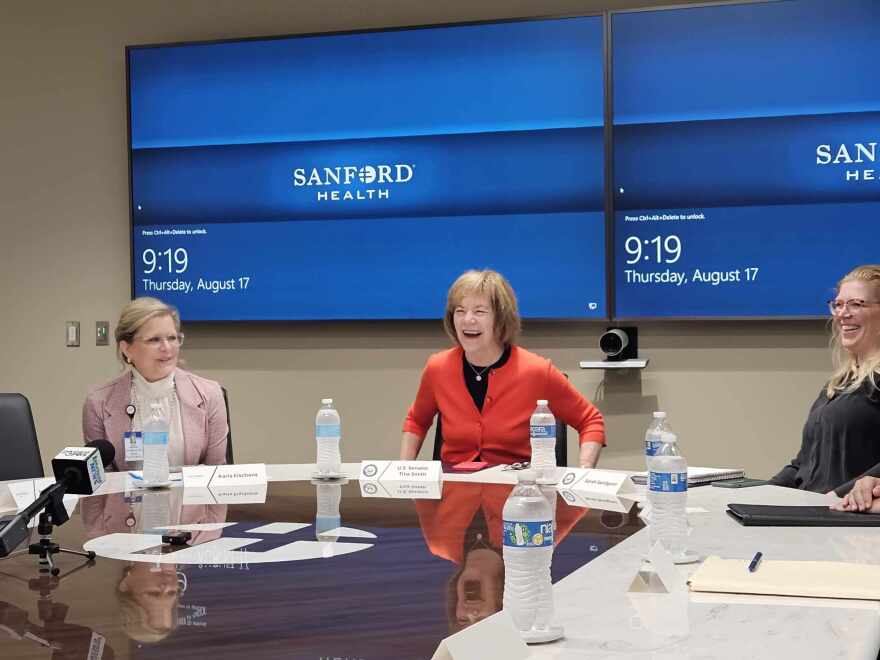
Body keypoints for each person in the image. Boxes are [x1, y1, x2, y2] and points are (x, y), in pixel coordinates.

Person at [401, 269, 605, 467]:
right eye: (460, 311)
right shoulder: (438, 368)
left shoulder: (536, 371)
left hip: (518, 493)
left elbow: (590, 420)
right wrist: (403, 473)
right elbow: (416, 422)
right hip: (454, 493)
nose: (467, 320)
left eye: (479, 311)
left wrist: (584, 471)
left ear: (500, 319)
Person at [770, 265, 880, 497]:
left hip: (849, 519)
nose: (843, 313)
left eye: (856, 304)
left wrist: (840, 496)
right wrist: (760, 493)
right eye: (838, 304)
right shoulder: (837, 385)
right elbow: (803, 464)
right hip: (814, 512)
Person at [82, 297, 228, 472]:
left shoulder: (210, 394)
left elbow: (217, 476)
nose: (167, 348)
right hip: (124, 500)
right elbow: (102, 483)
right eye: (154, 340)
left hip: (192, 499)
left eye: (172, 338)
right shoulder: (99, 403)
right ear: (126, 348)